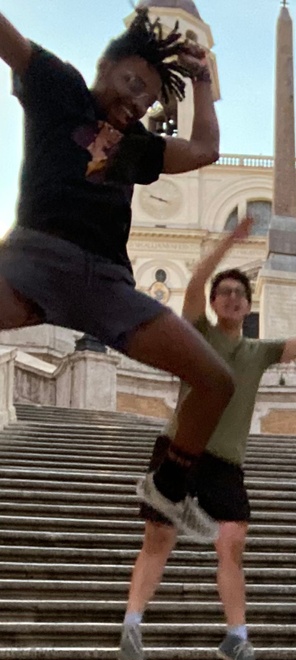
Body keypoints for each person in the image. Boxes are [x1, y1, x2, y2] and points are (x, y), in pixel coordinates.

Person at [0, 6, 234, 540]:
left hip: (108, 285)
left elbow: (205, 149)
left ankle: (168, 486)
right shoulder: (58, 88)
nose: (137, 100)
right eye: (131, 83)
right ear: (103, 69)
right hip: (35, 262)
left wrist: (201, 81)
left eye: (149, 96)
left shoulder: (137, 146)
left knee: (217, 380)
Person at [119, 218, 296, 660]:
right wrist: (228, 243)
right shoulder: (197, 331)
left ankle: (236, 637)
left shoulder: (259, 353)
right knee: (158, 537)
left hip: (225, 462)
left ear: (248, 306)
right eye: (226, 293)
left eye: (240, 294)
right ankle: (132, 625)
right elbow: (197, 280)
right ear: (216, 304)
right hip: (180, 447)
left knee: (232, 542)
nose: (232, 298)